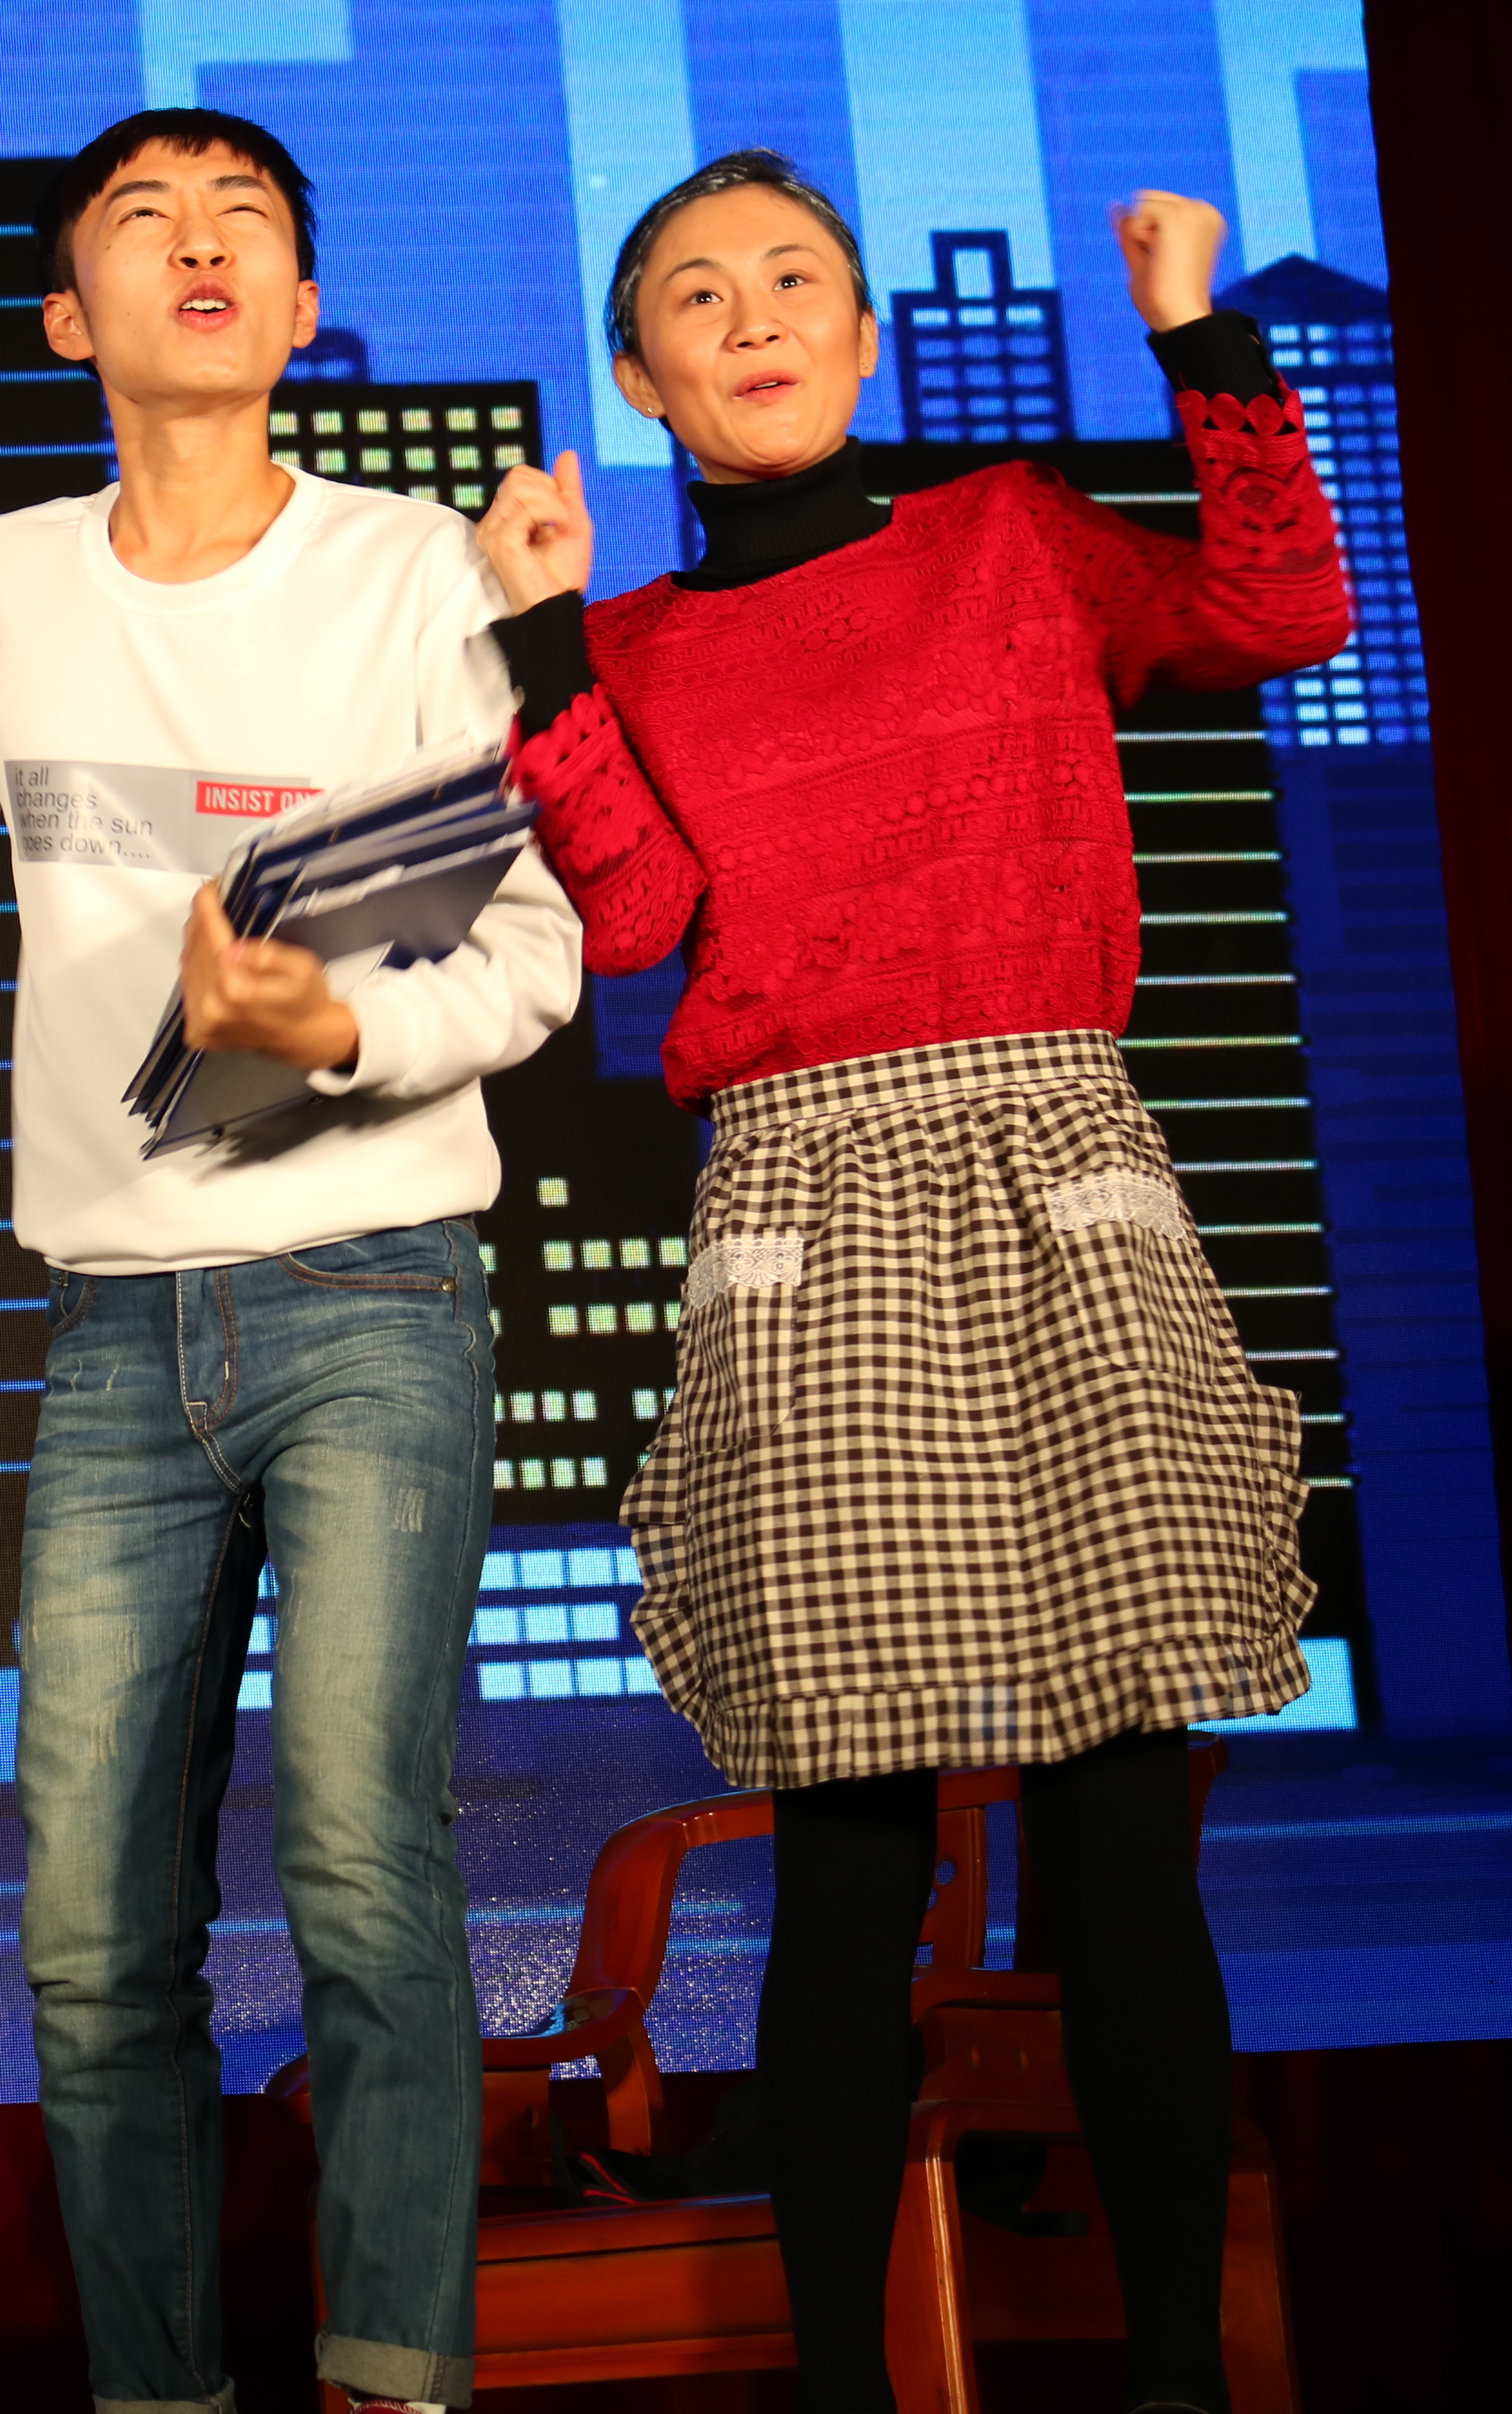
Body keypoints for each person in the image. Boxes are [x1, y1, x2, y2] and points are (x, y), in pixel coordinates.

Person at [472, 154, 1344, 2414]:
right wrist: (543, 638)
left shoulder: (1008, 535)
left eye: (797, 281)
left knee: (1118, 1815)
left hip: (1057, 1158)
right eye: (698, 295)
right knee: (850, 1845)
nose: (754, 317)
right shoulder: (636, 645)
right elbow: (635, 922)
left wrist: (1198, 332)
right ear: (641, 375)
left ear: (864, 340)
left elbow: (1278, 612)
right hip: (808, 1187)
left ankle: (1175, 2379)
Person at [0, 108, 580, 2414]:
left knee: (363, 1867)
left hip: (374, 1280)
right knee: (93, 1929)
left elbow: (531, 949)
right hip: (115, 1326)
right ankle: (159, 2389)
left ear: (301, 306)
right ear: (65, 313)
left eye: (245, 223)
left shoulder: (410, 570)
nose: (198, 247)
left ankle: (392, 2378)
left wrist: (335, 1023)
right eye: (145, 220)